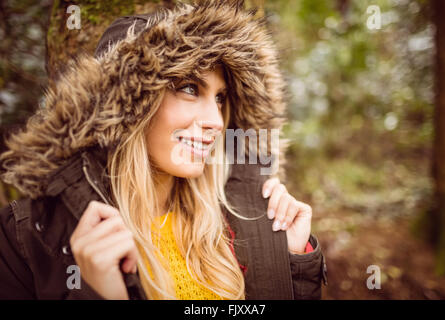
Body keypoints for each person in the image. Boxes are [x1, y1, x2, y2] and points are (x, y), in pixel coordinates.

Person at [0, 0, 327, 300]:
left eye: (220, 98)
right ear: (129, 104)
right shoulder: (27, 236)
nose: (215, 120)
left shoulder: (240, 219)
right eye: (189, 88)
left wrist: (291, 263)